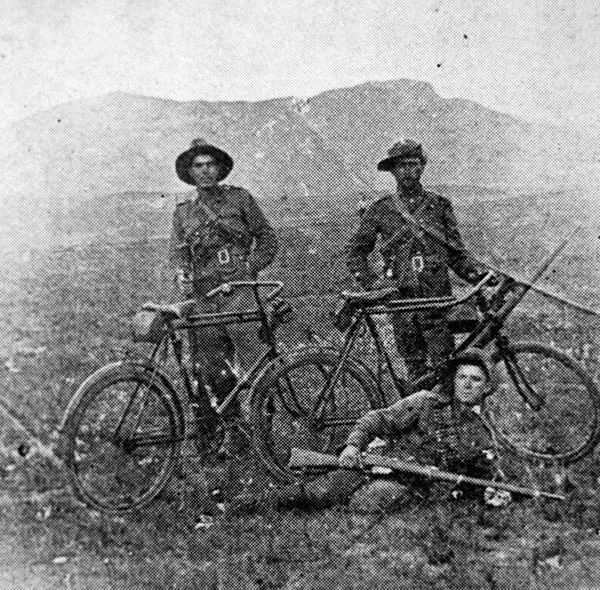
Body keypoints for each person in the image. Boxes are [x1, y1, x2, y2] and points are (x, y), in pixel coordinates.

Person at [229, 350, 509, 514]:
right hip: (376, 463)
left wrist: (493, 492)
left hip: (411, 486)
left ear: (486, 387)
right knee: (316, 492)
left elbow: (487, 476)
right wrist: (353, 445)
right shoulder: (425, 402)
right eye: (462, 377)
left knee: (377, 498)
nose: (467, 384)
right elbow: (378, 419)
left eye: (476, 379)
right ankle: (240, 507)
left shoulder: (482, 433)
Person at [346, 139, 486, 384]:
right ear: (393, 171)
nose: (408, 171)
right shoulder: (380, 209)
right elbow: (355, 252)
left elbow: (455, 254)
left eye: (414, 165)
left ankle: (441, 420)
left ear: (422, 167)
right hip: (402, 304)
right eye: (401, 166)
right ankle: (414, 420)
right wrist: (373, 286)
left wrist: (476, 274)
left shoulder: (439, 206)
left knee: (445, 372)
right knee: (415, 373)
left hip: (436, 303)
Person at [169, 139, 278, 443]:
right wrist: (182, 274)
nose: (204, 171)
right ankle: (235, 430)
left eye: (209, 165)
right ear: (190, 173)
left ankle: (266, 429)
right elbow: (178, 253)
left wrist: (249, 270)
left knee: (259, 362)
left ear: (219, 168)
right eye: (197, 166)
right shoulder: (183, 213)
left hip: (241, 293)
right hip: (205, 298)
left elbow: (267, 237)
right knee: (213, 368)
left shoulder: (240, 199)